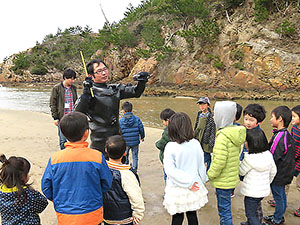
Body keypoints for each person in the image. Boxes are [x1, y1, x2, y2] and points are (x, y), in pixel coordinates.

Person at [41, 112, 112, 225]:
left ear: (63, 133)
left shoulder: (55, 159)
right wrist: (96, 194)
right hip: (92, 214)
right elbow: (107, 182)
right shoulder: (97, 156)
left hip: (65, 215)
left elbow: (46, 187)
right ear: (86, 133)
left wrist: (59, 200)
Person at [75, 59, 149, 158]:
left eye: (105, 69)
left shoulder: (114, 89)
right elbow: (78, 111)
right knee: (101, 167)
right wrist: (85, 92)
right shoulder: (90, 93)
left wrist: (142, 81)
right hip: (99, 141)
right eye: (99, 71)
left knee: (119, 166)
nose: (104, 73)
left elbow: (136, 92)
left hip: (117, 138)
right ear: (91, 76)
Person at [163, 112, 208, 225]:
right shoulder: (196, 144)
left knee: (177, 218)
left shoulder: (170, 146)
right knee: (192, 216)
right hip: (193, 186)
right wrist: (200, 181)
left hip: (178, 188)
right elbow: (201, 165)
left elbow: (170, 171)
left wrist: (188, 182)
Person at [207, 101, 246, 225]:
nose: (213, 117)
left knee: (224, 212)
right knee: (226, 209)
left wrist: (209, 175)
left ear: (222, 116)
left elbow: (219, 162)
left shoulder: (222, 137)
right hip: (230, 179)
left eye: (215, 114)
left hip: (223, 181)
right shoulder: (234, 132)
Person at [263, 106, 295, 225]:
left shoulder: (279, 137)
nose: (270, 120)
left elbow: (272, 158)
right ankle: (278, 216)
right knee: (280, 196)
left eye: (272, 117)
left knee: (279, 197)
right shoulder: (286, 134)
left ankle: (277, 220)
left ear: (280, 119)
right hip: (285, 172)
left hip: (279, 174)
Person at [103, 135, 145, 225]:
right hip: (124, 219)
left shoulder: (100, 170)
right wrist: (137, 217)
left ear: (106, 150)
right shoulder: (127, 174)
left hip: (106, 216)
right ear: (125, 152)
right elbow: (136, 197)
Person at [239, 129, 277, 225]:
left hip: (251, 193)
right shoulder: (268, 155)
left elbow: (241, 172)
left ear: (251, 144)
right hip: (262, 191)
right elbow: (274, 171)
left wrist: (240, 159)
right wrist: (267, 183)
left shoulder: (249, 159)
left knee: (251, 214)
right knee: (256, 208)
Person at [0, 154, 48, 224]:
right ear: (22, 177)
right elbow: (43, 204)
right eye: (27, 173)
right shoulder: (28, 194)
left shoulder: (1, 192)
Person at [50, 68, 78, 150]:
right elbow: (52, 103)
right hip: (62, 117)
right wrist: (55, 117)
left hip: (73, 117)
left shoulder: (74, 88)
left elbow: (76, 102)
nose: (72, 81)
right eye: (71, 79)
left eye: (74, 79)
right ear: (65, 78)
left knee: (74, 139)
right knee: (63, 140)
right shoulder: (57, 88)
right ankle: (64, 155)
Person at [119, 101, 145, 173]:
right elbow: (141, 128)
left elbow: (120, 132)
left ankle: (126, 168)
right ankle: (134, 170)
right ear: (132, 110)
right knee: (135, 156)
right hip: (135, 141)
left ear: (123, 111)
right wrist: (142, 137)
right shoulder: (137, 119)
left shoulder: (121, 121)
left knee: (125, 155)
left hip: (126, 142)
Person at [194, 96, 216, 172]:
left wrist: (211, 141)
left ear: (208, 105)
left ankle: (208, 171)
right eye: (200, 104)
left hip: (206, 138)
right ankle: (201, 170)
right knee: (199, 154)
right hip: (198, 137)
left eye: (204, 104)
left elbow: (213, 129)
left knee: (206, 156)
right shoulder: (199, 114)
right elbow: (196, 126)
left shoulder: (211, 116)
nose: (202, 106)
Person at [155, 108, 175, 182]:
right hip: (176, 159)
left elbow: (161, 144)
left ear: (168, 120)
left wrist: (157, 143)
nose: (163, 122)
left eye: (163, 121)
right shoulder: (179, 128)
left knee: (168, 178)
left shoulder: (168, 132)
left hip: (168, 159)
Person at [291, 105, 300, 217]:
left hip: (298, 162)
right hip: (293, 159)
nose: (292, 119)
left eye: (294, 116)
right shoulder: (294, 129)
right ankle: (279, 200)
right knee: (285, 182)